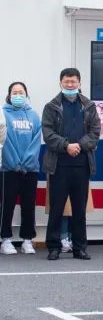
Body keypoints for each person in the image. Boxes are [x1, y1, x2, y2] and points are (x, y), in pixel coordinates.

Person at [42, 68, 100, 261]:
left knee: (79, 210)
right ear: (60, 83)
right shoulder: (51, 106)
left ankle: (80, 248)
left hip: (82, 165)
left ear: (79, 83)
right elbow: (48, 134)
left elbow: (95, 132)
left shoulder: (89, 106)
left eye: (73, 82)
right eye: (66, 82)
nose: (70, 85)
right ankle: (53, 247)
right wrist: (66, 146)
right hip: (58, 166)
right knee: (56, 209)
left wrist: (79, 146)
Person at [2, 82, 41, 255]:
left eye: (21, 92)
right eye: (14, 92)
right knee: (7, 205)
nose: (18, 95)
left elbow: (36, 141)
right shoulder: (3, 114)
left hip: (30, 169)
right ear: (9, 95)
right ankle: (6, 239)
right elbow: (5, 142)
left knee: (28, 206)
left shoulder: (33, 115)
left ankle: (27, 239)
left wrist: (26, 162)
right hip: (8, 169)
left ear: (26, 94)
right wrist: (15, 162)